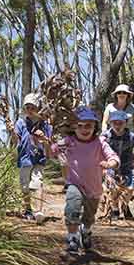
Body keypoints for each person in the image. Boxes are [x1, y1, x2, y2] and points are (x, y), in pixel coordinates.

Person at [51, 106, 119, 254]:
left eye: (88, 125)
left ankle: (86, 231)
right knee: (72, 208)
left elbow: (113, 157)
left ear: (95, 126)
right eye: (79, 126)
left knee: (89, 216)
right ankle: (72, 237)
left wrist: (110, 164)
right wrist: (46, 141)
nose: (84, 129)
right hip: (74, 183)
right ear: (73, 128)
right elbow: (52, 150)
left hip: (94, 188)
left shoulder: (100, 142)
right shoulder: (69, 141)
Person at [102, 110, 134, 219]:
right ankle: (115, 210)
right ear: (110, 123)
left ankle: (125, 206)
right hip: (111, 168)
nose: (117, 126)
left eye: (120, 123)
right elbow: (98, 149)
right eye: (114, 123)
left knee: (129, 189)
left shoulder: (131, 137)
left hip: (127, 166)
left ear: (126, 123)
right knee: (112, 189)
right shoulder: (106, 136)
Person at [14, 93, 52, 221]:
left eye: (33, 107)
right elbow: (16, 140)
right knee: (25, 185)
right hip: (24, 158)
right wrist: (11, 132)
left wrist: (43, 138)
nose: (30, 110)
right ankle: (28, 209)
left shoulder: (45, 125)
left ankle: (39, 211)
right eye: (27, 107)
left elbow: (49, 144)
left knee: (37, 182)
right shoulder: (20, 122)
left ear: (38, 108)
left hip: (39, 158)